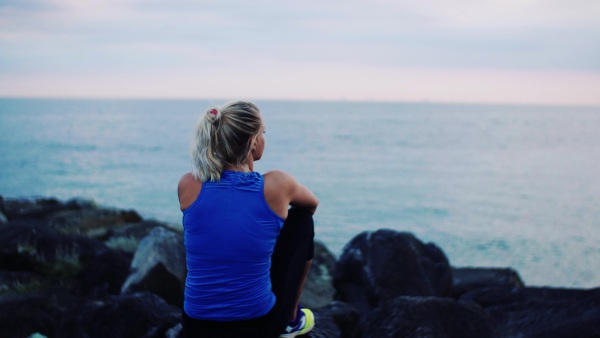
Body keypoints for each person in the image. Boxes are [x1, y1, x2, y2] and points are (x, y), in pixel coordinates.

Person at [177, 101, 319, 338]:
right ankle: (292, 318)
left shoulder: (188, 184)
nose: (264, 137)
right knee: (301, 219)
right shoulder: (278, 185)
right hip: (257, 325)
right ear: (253, 141)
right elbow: (311, 204)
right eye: (262, 132)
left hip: (196, 326)